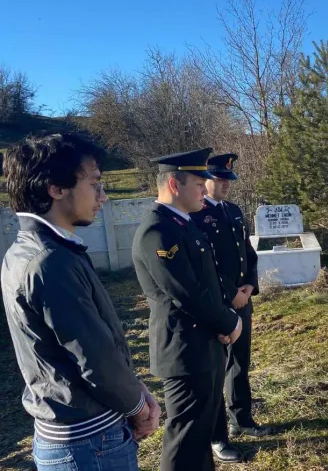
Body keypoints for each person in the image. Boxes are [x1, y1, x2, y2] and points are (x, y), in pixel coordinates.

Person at [1, 133, 160, 471]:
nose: (103, 196)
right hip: (88, 444)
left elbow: (97, 343)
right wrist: (138, 407)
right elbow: (94, 358)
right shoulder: (49, 261)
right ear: (55, 189)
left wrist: (136, 390)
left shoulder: (31, 250)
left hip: (78, 435)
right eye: (95, 184)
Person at [132, 148, 243, 471]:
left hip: (202, 343)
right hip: (183, 349)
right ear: (174, 184)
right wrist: (229, 322)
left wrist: (222, 323)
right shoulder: (159, 231)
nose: (204, 190)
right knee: (184, 438)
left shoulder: (183, 225)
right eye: (199, 183)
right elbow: (187, 293)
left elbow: (206, 285)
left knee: (200, 434)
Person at [190, 153, 271, 463]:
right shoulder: (197, 215)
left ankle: (242, 418)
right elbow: (205, 262)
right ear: (205, 181)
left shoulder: (234, 210)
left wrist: (250, 285)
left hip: (242, 299)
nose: (225, 184)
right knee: (214, 369)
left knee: (240, 362)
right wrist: (230, 293)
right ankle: (215, 434)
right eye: (219, 179)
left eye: (228, 179)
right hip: (218, 303)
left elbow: (247, 252)